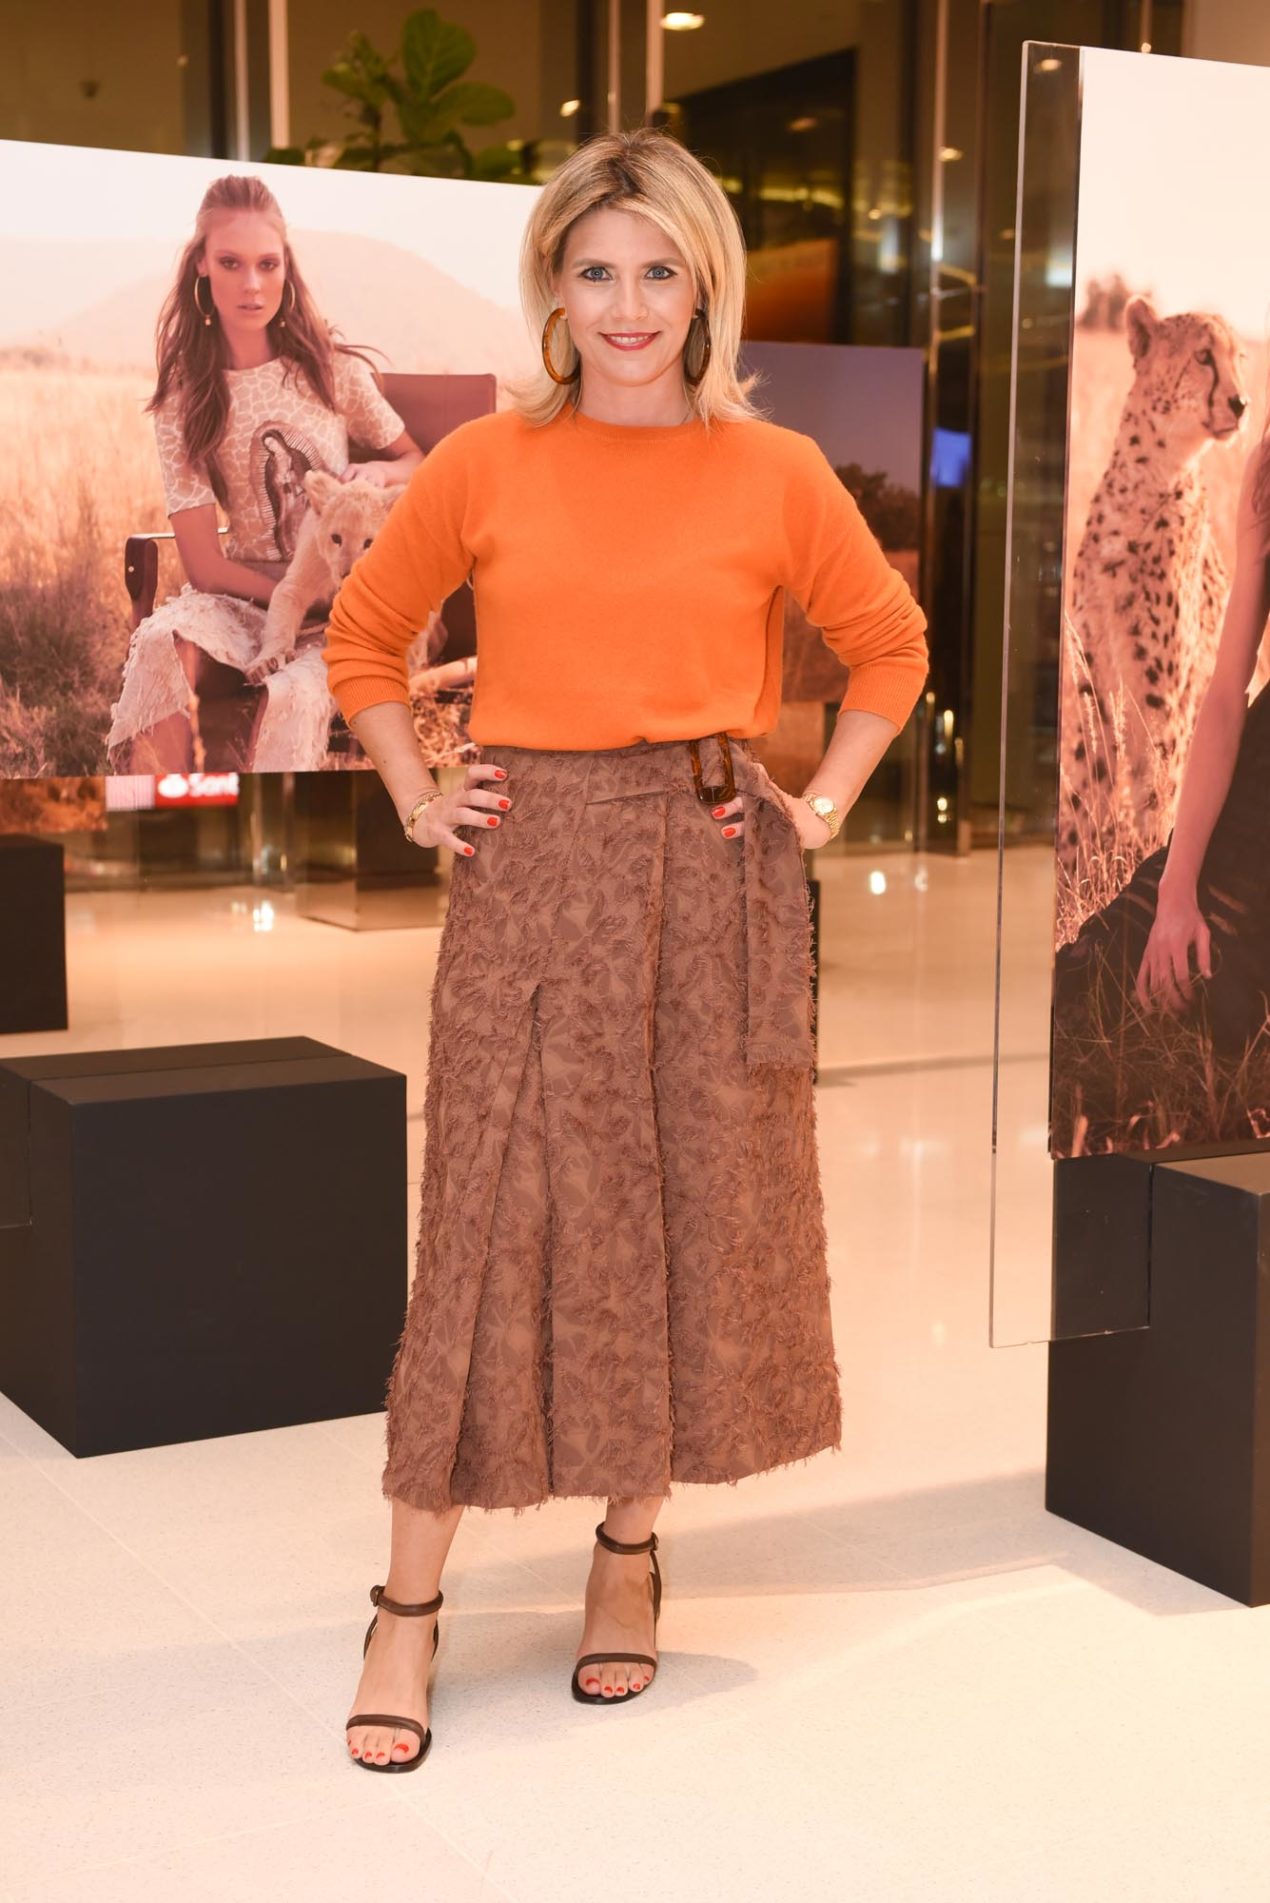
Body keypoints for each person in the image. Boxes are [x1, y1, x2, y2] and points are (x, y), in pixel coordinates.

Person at [324, 127, 929, 1773]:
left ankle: (627, 1551)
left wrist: (818, 805)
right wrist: (418, 789)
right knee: (486, 1227)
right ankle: (406, 1605)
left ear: (705, 284)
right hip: (529, 870)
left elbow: (888, 644)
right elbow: (366, 636)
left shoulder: (775, 470)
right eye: (595, 270)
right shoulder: (488, 460)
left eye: (659, 269)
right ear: (554, 287)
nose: (628, 304)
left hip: (708, 865)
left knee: (679, 1207)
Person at [104, 173, 420, 775]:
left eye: (267, 264)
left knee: (291, 692)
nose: (252, 285)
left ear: (285, 267)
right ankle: (149, 816)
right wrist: (289, 596)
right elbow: (204, 565)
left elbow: (416, 461)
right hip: (242, 599)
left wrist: (379, 472)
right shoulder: (185, 397)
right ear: (201, 264)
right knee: (162, 644)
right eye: (231, 263)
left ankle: (266, 821)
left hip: (348, 600)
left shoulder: (328, 370)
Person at [1052, 437, 1270, 1149]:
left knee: (1221, 1005)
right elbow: (1228, 694)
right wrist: (1176, 889)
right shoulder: (1269, 465)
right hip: (1253, 795)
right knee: (1102, 969)